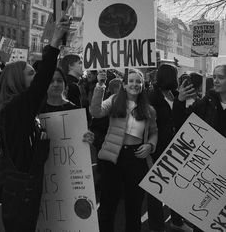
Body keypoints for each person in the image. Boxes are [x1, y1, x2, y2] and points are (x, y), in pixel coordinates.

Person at [0, 16, 72, 232]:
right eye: (30, 73)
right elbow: (43, 80)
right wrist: (54, 43)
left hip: (19, 186)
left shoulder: (14, 108)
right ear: (17, 79)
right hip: (21, 190)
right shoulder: (16, 107)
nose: (35, 77)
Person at [90, 68, 158, 232]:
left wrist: (150, 146)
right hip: (113, 157)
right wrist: (100, 85)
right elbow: (96, 111)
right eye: (131, 81)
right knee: (108, 204)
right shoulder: (114, 100)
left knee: (134, 206)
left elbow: (154, 132)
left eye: (138, 81)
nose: (135, 84)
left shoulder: (149, 109)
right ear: (125, 85)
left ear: (142, 85)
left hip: (136, 159)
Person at [173, 64, 226, 232]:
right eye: (214, 76)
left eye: (221, 77)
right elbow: (182, 124)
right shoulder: (206, 102)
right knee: (202, 215)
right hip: (208, 170)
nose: (215, 80)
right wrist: (180, 101)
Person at [147, 64, 193, 232]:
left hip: (176, 146)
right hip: (158, 147)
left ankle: (177, 221)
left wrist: (182, 102)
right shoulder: (152, 97)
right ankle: (156, 227)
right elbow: (154, 123)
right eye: (176, 74)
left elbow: (179, 120)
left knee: (177, 187)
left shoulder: (174, 94)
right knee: (156, 189)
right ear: (169, 76)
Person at [39, 66, 94, 142]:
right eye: (51, 81)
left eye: (59, 80)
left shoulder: (75, 110)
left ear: (65, 84)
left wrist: (87, 138)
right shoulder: (37, 111)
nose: (55, 84)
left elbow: (81, 140)